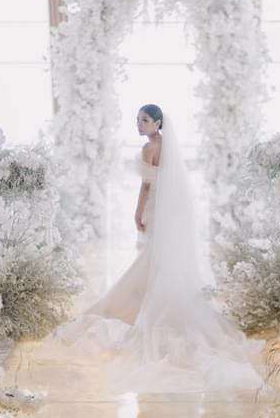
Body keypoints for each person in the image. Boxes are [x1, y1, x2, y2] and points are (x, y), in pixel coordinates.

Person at [53, 104, 263, 394]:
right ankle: (154, 297)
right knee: (162, 259)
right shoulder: (168, 146)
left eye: (145, 120)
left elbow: (146, 187)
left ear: (157, 123)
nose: (139, 125)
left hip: (156, 209)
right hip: (172, 212)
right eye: (137, 120)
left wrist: (136, 213)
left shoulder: (150, 148)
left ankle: (148, 304)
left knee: (151, 258)